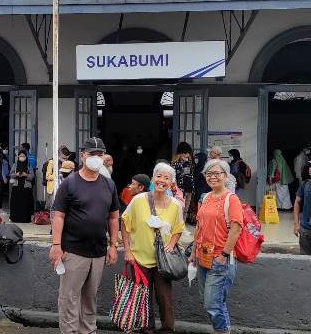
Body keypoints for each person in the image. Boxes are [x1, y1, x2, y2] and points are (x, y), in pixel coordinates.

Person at [49, 137, 120, 334]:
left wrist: (113, 245)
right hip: (72, 252)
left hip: (98, 253)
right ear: (82, 156)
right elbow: (58, 216)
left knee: (90, 298)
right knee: (69, 298)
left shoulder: (108, 185)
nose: (97, 158)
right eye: (92, 154)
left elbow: (114, 217)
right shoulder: (70, 183)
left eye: (100, 154)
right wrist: (56, 245)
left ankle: (88, 331)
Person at [121, 163, 184, 333]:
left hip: (163, 260)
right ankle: (146, 328)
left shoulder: (176, 205)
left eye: (167, 178)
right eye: (159, 176)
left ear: (172, 183)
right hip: (139, 257)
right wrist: (127, 250)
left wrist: (171, 243)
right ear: (153, 178)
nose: (162, 181)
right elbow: (125, 224)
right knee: (143, 297)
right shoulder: (138, 200)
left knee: (165, 298)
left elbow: (179, 228)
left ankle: (167, 329)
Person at [187, 159, 243, 334]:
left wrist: (224, 255)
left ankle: (222, 331)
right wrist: (194, 251)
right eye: (208, 174)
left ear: (226, 176)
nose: (212, 177)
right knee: (209, 300)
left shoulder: (231, 199)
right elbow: (199, 226)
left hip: (221, 259)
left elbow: (236, 229)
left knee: (213, 303)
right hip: (203, 256)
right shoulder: (205, 197)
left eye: (217, 173)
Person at [9, 150, 36, 223]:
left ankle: (25, 219)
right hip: (16, 187)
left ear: (26, 157)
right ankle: (15, 218)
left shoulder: (29, 165)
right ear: (18, 157)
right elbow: (11, 174)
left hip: (25, 187)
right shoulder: (15, 165)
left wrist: (25, 175)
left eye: (23, 156)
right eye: (20, 156)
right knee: (16, 203)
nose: (21, 157)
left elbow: (32, 176)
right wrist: (16, 174)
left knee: (25, 203)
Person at [172, 142, 195, 220]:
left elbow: (190, 175)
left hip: (189, 189)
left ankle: (182, 227)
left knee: (185, 210)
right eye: (185, 153)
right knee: (179, 209)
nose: (187, 155)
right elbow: (175, 177)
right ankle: (177, 227)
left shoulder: (189, 163)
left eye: (188, 153)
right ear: (180, 153)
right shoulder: (175, 164)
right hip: (180, 189)